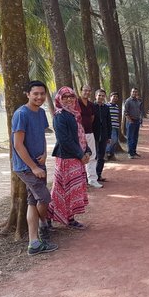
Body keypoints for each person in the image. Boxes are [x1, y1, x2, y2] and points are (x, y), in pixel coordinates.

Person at [11, 80, 58, 255]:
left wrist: (45, 154)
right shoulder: (21, 114)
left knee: (33, 201)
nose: (39, 97)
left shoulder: (41, 113)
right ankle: (44, 225)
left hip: (39, 163)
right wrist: (33, 167)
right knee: (45, 198)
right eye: (35, 93)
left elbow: (43, 136)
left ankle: (34, 243)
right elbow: (18, 144)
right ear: (28, 94)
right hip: (26, 166)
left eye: (42, 94)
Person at [49, 87, 91, 230]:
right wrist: (80, 154)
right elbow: (64, 139)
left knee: (72, 190)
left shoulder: (74, 114)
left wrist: (87, 151)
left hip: (76, 158)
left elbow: (80, 136)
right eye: (65, 97)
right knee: (61, 189)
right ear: (59, 99)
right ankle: (49, 218)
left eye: (71, 96)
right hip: (66, 158)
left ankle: (70, 217)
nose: (68, 99)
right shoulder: (60, 115)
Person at [78, 85, 101, 188]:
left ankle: (92, 179)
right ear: (81, 90)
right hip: (78, 134)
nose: (87, 92)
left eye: (89, 91)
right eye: (85, 90)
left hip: (89, 132)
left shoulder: (91, 105)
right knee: (79, 157)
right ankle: (80, 181)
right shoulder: (76, 103)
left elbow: (92, 117)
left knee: (92, 156)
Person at [93, 89, 112, 182]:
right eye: (99, 95)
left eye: (103, 96)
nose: (101, 97)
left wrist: (109, 136)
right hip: (93, 135)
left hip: (103, 135)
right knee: (92, 156)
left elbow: (109, 122)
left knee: (101, 156)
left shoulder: (106, 108)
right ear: (95, 96)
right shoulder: (92, 106)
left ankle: (98, 175)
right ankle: (90, 176)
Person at [124, 87, 144, 158]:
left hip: (137, 121)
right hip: (130, 122)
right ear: (131, 92)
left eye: (136, 92)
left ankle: (134, 152)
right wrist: (130, 120)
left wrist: (140, 120)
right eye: (133, 92)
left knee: (135, 137)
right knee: (130, 137)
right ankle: (130, 153)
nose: (134, 93)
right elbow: (125, 112)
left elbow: (140, 111)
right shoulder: (128, 101)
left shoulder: (139, 101)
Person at [106, 92, 120, 159]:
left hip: (116, 125)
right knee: (112, 140)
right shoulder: (107, 106)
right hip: (110, 126)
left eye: (116, 97)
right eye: (113, 96)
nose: (115, 98)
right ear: (110, 97)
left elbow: (117, 116)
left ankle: (111, 154)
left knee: (115, 140)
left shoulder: (117, 106)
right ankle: (107, 153)